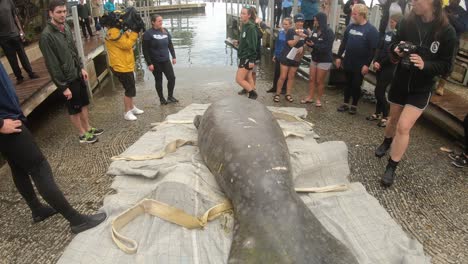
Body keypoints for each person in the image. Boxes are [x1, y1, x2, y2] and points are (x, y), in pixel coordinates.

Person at [0, 61, 106, 234]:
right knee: (39, 167)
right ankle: (76, 220)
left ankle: (37, 210)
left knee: (18, 167)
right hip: (6, 121)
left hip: (9, 115)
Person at [374, 0, 458, 187]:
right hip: (400, 82)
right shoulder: (407, 22)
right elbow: (394, 45)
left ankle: (391, 167)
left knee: (403, 127)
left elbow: (447, 66)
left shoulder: (447, 31)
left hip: (422, 87)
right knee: (393, 120)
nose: (412, 1)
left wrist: (425, 65)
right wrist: (395, 51)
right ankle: (387, 141)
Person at [40, 0, 104, 144]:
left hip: (77, 73)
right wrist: (63, 87)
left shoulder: (66, 27)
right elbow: (52, 64)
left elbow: (74, 51)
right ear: (51, 13)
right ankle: (82, 134)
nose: (63, 15)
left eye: (64, 11)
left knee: (84, 103)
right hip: (66, 79)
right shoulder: (46, 36)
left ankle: (88, 127)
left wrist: (81, 67)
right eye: (59, 12)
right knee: (74, 108)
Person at [335, 4, 379, 114]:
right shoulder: (350, 27)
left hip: (360, 64)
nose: (352, 16)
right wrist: (339, 57)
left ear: (362, 15)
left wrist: (367, 64)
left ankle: (354, 105)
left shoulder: (371, 30)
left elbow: (373, 49)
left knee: (356, 84)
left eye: (354, 14)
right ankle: (345, 103)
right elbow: (343, 43)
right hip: (348, 61)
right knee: (347, 83)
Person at [367, 13, 402, 127]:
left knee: (379, 91)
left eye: (392, 22)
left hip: (389, 68)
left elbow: (392, 55)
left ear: (398, 23)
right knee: (378, 90)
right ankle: (377, 113)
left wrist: (380, 63)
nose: (390, 24)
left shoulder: (399, 38)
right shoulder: (387, 34)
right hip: (379, 66)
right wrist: (375, 60)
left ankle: (386, 116)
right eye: (390, 22)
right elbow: (379, 48)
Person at [105, 25, 144, 121]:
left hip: (126, 64)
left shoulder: (120, 30)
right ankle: (127, 112)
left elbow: (128, 39)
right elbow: (127, 45)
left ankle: (132, 107)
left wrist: (130, 31)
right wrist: (135, 32)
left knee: (131, 87)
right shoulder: (114, 32)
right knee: (129, 89)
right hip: (121, 66)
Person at [0, 0, 39, 85]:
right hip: (3, 39)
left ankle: (31, 73)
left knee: (23, 55)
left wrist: (21, 30)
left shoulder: (8, 1)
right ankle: (19, 77)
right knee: (12, 59)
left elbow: (15, 16)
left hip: (15, 34)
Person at [142, 14, 178, 105]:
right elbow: (145, 50)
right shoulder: (148, 34)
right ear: (153, 22)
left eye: (161, 21)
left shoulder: (165, 31)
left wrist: (173, 56)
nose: (161, 22)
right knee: (159, 80)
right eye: (159, 21)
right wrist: (149, 63)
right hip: (155, 61)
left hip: (166, 60)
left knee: (172, 78)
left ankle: (170, 97)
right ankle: (162, 99)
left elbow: (170, 44)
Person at [435, 0, 468, 96]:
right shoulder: (444, 8)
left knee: (449, 61)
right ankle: (430, 79)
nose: (450, 1)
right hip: (439, 37)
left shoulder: (463, 12)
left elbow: (463, 27)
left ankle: (441, 85)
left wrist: (450, 17)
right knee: (433, 56)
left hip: (453, 40)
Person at [274, 13, 309, 103]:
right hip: (287, 55)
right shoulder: (290, 31)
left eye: (301, 22)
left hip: (297, 57)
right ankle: (277, 94)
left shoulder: (305, 31)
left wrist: (303, 47)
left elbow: (306, 44)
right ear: (295, 22)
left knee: (291, 76)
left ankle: (288, 94)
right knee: (283, 76)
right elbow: (290, 44)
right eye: (298, 21)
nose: (300, 23)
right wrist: (299, 37)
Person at [301, 12, 334, 107]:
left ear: (321, 20)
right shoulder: (315, 30)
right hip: (315, 58)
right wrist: (305, 38)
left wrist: (314, 45)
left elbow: (326, 47)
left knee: (319, 81)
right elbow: (311, 41)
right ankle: (310, 97)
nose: (314, 21)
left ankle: (318, 99)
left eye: (316, 20)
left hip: (324, 59)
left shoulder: (329, 32)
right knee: (311, 79)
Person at [232, 6, 258, 100]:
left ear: (249, 15)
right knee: (248, 77)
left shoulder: (251, 28)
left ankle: (252, 94)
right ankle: (252, 93)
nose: (241, 15)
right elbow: (245, 40)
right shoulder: (244, 25)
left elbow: (253, 45)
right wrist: (239, 42)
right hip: (244, 56)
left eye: (244, 13)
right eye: (241, 13)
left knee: (239, 79)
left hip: (247, 57)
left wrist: (251, 60)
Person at [267, 17, 291, 94]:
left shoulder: (292, 34)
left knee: (285, 74)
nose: (284, 25)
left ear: (290, 25)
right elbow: (277, 44)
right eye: (283, 24)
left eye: (286, 24)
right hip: (279, 55)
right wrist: (274, 54)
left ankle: (283, 89)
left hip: (287, 56)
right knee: (277, 73)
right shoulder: (280, 32)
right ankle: (274, 87)